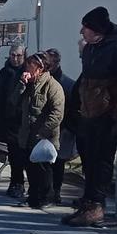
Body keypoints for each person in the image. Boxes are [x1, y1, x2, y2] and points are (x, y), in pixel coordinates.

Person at [64, 6, 117, 227]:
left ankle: (96, 205)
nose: (81, 31)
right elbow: (85, 79)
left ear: (97, 30)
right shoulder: (91, 49)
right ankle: (88, 202)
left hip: (106, 116)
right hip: (88, 114)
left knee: (101, 161)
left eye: (85, 27)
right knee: (88, 158)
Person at [12, 51, 65, 208]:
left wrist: (43, 131)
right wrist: (21, 85)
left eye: (31, 66)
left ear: (41, 68)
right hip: (27, 134)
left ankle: (46, 197)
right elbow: (13, 102)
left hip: (44, 136)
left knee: (44, 168)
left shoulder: (53, 86)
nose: (27, 68)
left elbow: (57, 113)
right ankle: (33, 197)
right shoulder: (28, 84)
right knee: (31, 167)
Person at [0, 46, 29, 199]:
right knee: (13, 153)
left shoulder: (27, 73)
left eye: (19, 56)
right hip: (6, 119)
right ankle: (15, 182)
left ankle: (20, 183)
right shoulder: (4, 72)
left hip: (21, 121)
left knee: (21, 154)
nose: (15, 58)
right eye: (12, 55)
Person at [47, 48, 75, 204]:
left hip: (62, 129)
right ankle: (46, 190)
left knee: (58, 162)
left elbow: (71, 109)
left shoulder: (67, 84)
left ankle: (56, 191)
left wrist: (66, 128)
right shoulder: (42, 80)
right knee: (44, 161)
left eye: (50, 63)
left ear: (56, 63)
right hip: (45, 129)